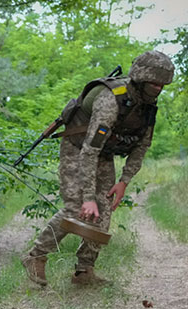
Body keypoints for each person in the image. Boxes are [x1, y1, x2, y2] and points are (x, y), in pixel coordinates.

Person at [22, 50, 175, 286]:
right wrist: (87, 197)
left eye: (162, 84)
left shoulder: (147, 106)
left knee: (104, 212)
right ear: (142, 78)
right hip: (78, 148)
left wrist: (124, 181)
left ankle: (84, 271)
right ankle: (36, 257)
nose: (159, 88)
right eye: (154, 83)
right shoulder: (110, 100)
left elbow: (142, 146)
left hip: (104, 153)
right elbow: (89, 150)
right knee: (76, 209)